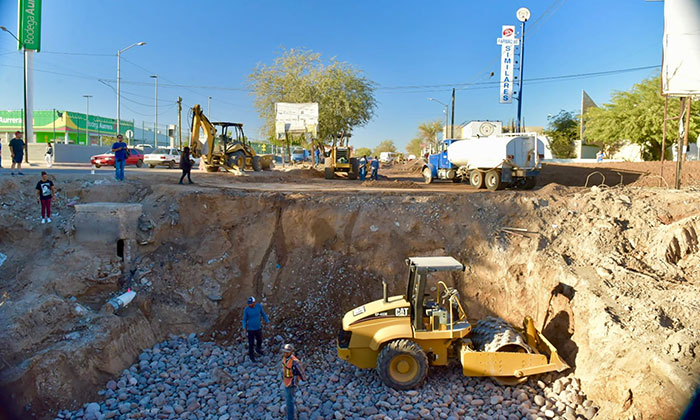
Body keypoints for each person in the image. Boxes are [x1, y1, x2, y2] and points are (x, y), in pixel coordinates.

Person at [281, 343, 306, 420]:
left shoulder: (295, 361)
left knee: (289, 400)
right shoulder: (285, 359)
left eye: (287, 352)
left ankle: (290, 417)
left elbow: (301, 372)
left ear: (291, 352)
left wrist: (302, 379)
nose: (285, 353)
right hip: (286, 380)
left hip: (292, 382)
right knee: (289, 399)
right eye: (284, 352)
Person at [242, 296, 270, 362]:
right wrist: (244, 327)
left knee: (259, 340)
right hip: (250, 329)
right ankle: (251, 356)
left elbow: (263, 314)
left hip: (258, 328)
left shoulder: (259, 307)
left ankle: (258, 349)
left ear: (254, 302)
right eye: (248, 303)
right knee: (251, 343)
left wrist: (267, 321)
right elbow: (244, 319)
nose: (249, 304)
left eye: (251, 303)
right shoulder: (247, 309)